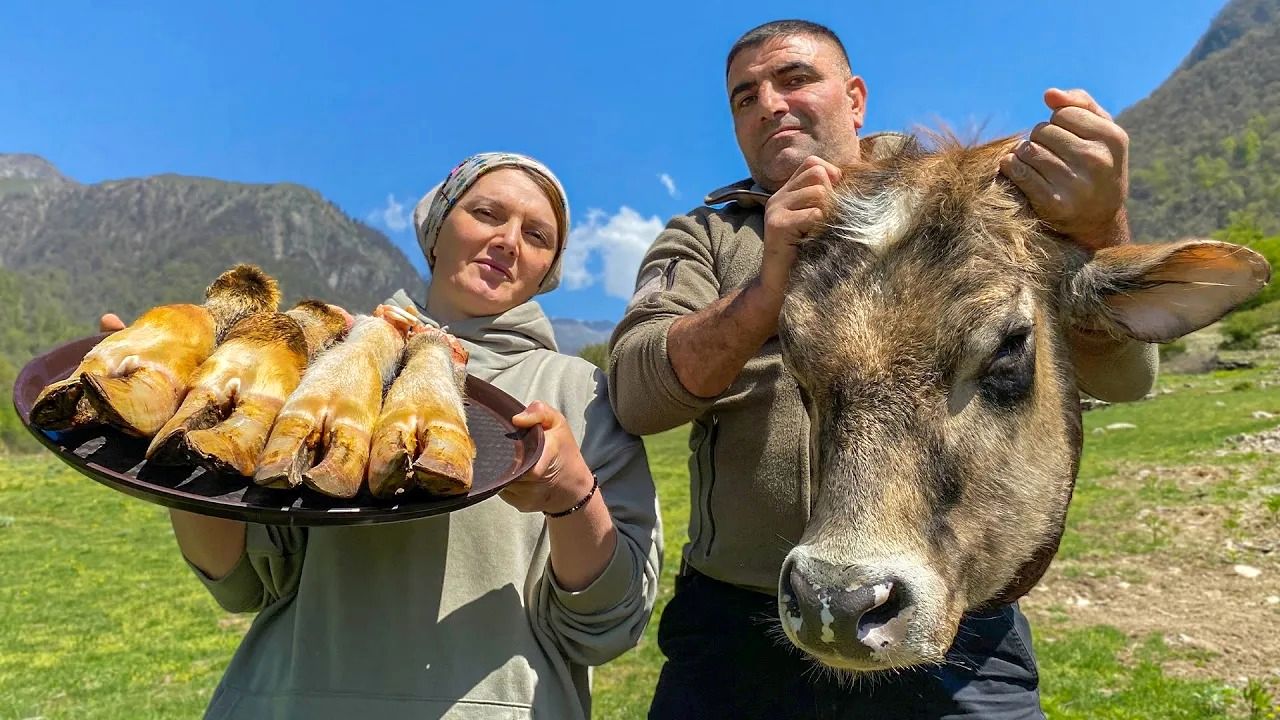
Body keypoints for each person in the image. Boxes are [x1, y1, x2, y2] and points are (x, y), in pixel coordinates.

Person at [607, 20, 1157, 720]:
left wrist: (1100, 229)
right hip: (743, 627)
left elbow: (1126, 378)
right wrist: (762, 293)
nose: (769, 104)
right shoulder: (707, 237)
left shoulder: (980, 201)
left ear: (856, 98)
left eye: (795, 78)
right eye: (744, 97)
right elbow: (635, 394)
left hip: (956, 619)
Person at [106, 152, 662, 719]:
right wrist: (166, 431)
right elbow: (243, 584)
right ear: (437, 228)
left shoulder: (582, 395)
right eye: (487, 213)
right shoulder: (328, 359)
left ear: (548, 269)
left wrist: (573, 497)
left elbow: (608, 626)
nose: (509, 240)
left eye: (537, 234)